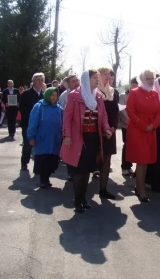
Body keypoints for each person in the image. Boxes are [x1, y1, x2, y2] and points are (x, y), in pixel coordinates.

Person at [60, 70, 114, 213]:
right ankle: (77, 200)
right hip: (78, 138)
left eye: (98, 78)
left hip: (93, 139)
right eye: (94, 78)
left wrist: (107, 129)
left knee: (87, 170)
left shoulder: (98, 96)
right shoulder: (74, 95)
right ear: (86, 79)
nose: (97, 80)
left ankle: (83, 198)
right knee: (78, 171)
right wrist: (67, 135)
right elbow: (67, 117)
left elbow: (103, 116)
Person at [126, 70, 160, 202]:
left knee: (146, 160)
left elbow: (158, 112)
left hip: (150, 130)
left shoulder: (154, 93)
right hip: (138, 130)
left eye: (152, 78)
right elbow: (131, 111)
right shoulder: (134, 92)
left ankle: (139, 186)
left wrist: (154, 124)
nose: (151, 81)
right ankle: (141, 190)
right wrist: (143, 125)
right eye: (148, 78)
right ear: (142, 79)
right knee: (141, 160)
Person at [27, 87, 63, 188]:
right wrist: (31, 137)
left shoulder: (59, 109)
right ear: (47, 95)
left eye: (56, 95)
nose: (54, 98)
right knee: (43, 160)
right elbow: (33, 123)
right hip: (42, 139)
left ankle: (47, 178)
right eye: (52, 95)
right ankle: (43, 180)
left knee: (51, 160)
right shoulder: (39, 107)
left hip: (54, 139)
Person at [97, 67, 119, 199]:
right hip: (96, 132)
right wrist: (102, 129)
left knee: (106, 160)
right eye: (104, 74)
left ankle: (103, 189)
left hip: (110, 131)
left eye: (108, 74)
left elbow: (116, 112)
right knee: (92, 160)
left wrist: (113, 128)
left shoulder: (113, 92)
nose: (107, 76)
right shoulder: (94, 91)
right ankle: (83, 192)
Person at [19, 73, 44, 171]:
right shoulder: (26, 94)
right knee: (28, 145)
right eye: (38, 80)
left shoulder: (44, 95)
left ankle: (38, 166)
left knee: (39, 146)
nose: (40, 82)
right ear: (33, 81)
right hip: (28, 124)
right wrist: (32, 120)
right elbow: (22, 109)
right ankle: (24, 163)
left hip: (41, 125)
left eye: (41, 80)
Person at [119, 77, 138, 175]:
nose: (134, 87)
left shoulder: (138, 96)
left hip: (136, 126)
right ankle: (124, 167)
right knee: (126, 145)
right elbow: (122, 110)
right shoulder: (123, 96)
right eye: (132, 85)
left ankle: (129, 165)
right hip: (126, 125)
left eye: (136, 85)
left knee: (133, 146)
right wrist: (130, 121)